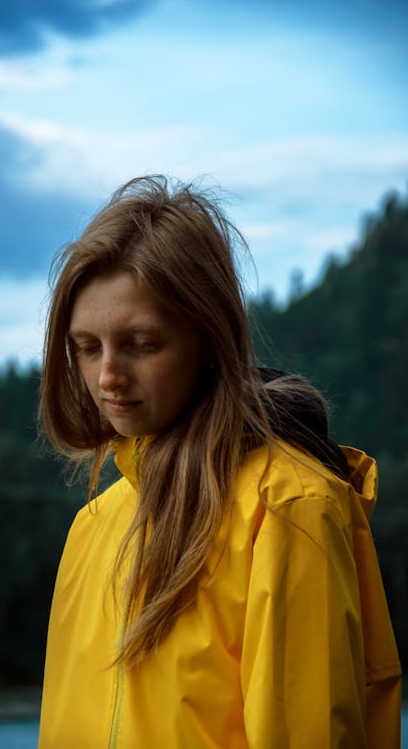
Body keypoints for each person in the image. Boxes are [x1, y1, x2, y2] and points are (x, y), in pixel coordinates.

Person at [38, 175, 401, 748]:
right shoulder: (92, 527)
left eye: (142, 344)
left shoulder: (289, 506)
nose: (107, 376)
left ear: (210, 338)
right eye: (88, 347)